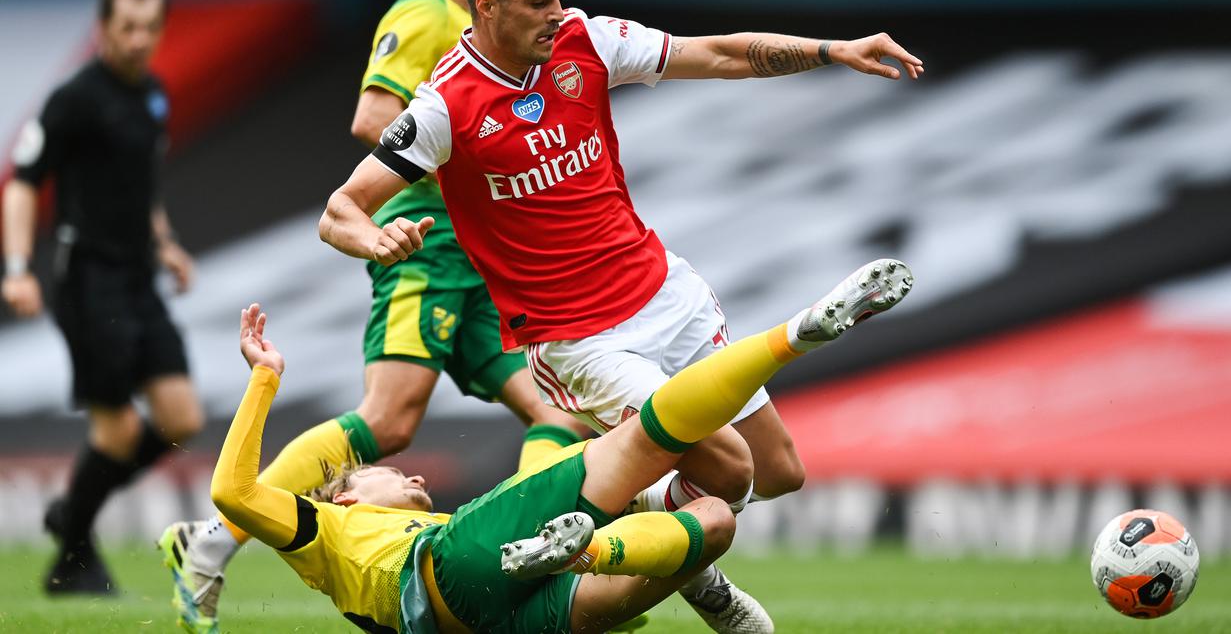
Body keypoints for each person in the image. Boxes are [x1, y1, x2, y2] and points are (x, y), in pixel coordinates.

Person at [319, 0, 923, 628]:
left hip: (664, 292)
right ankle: (610, 549)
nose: (556, 12)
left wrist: (832, 50)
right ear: (486, 7)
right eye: (538, 1)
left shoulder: (587, 40)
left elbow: (721, 55)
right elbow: (340, 211)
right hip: (580, 339)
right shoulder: (445, 105)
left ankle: (641, 509)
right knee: (727, 472)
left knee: (780, 473)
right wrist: (377, 237)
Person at [157, 0, 586, 632]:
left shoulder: (480, 19)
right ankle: (212, 541)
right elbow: (374, 118)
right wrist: (468, 150)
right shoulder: (422, 12)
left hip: (479, 258)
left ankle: (526, 553)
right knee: (387, 420)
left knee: (558, 416)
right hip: (426, 245)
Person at [208, 259, 911, 633]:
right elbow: (233, 494)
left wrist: (548, 409)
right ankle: (794, 336)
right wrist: (263, 380)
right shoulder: (326, 529)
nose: (414, 481)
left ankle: (617, 555)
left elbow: (545, 446)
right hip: (453, 566)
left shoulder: (405, 547)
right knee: (659, 442)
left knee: (716, 519)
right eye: (392, 476)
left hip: (496, 621)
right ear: (352, 492)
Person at [1, 0, 203, 594]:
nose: (140, 40)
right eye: (127, 28)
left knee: (181, 418)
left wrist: (164, 242)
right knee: (116, 429)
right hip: (87, 277)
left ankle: (72, 515)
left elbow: (142, 185)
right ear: (103, 28)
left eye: (150, 27)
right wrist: (15, 270)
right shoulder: (75, 97)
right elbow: (23, 182)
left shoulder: (153, 94)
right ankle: (74, 554)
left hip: (138, 274)